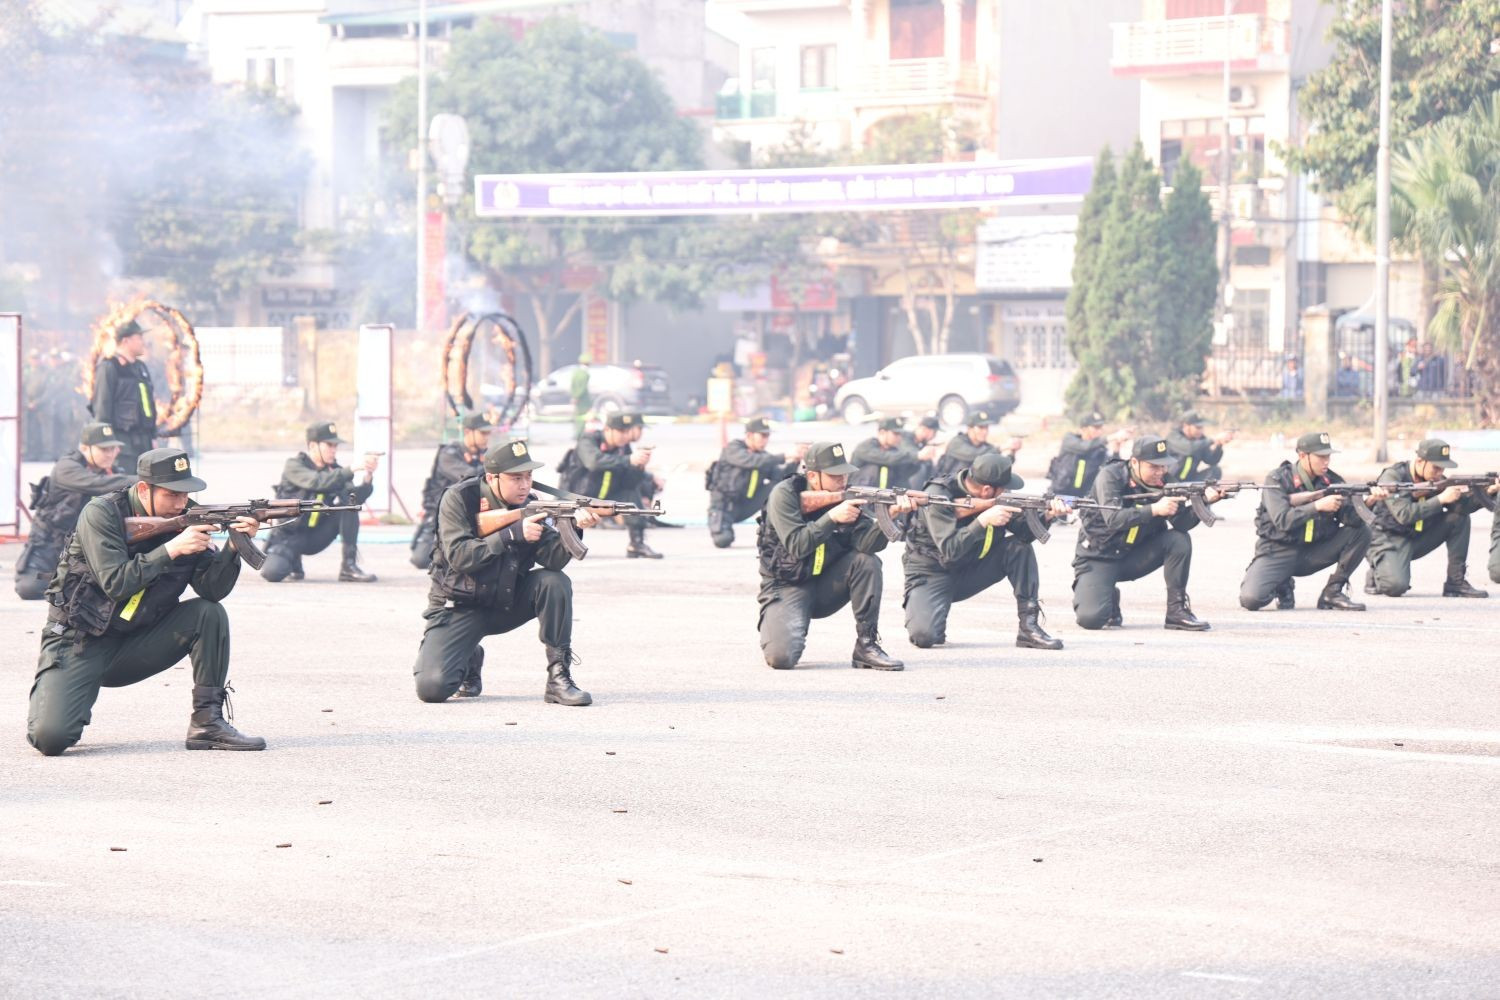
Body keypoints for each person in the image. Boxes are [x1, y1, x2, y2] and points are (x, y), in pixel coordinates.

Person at [26, 448, 266, 756]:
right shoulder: (102, 514)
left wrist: (233, 547)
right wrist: (172, 550)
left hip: (135, 642)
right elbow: (115, 583)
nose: (181, 503)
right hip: (80, 642)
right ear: (143, 489)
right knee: (50, 738)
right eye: (172, 495)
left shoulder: (186, 518)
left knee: (209, 613)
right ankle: (70, 693)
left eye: (186, 494)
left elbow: (211, 590)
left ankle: (208, 723)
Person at [412, 437, 598, 706]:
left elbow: (553, 560)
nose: (524, 485)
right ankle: (469, 655)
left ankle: (558, 678)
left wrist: (576, 526)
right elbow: (460, 557)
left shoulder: (531, 504)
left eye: (529, 476)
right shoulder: (460, 499)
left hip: (505, 602)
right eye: (516, 478)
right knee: (432, 688)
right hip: (459, 607)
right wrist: (512, 534)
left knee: (554, 582)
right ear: (492, 477)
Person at [756, 442, 906, 671]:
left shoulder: (845, 497)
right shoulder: (785, 494)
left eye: (845, 474)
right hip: (786, 585)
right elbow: (797, 545)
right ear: (814, 477)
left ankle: (867, 645)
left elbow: (867, 545)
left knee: (867, 561)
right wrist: (832, 518)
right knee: (781, 658)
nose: (842, 480)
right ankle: (788, 623)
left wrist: (890, 515)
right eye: (835, 475)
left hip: (826, 584)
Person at [903, 452, 1066, 651]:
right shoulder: (939, 496)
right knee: (925, 636)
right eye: (1003, 488)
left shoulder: (997, 497)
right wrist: (982, 520)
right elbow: (950, 549)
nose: (1007, 491)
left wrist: (1048, 515)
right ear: (988, 489)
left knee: (1019, 548)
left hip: (971, 569)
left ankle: (1028, 628)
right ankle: (932, 612)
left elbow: (1024, 534)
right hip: (931, 574)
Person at [1071, 436, 1223, 631]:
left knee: (1178, 540)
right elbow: (1114, 519)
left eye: (1164, 466)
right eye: (1154, 467)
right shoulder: (1110, 476)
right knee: (1091, 620)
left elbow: (1181, 524)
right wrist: (1153, 509)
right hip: (1099, 557)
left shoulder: (1165, 481)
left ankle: (1177, 611)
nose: (1161, 472)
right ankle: (1106, 594)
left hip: (1133, 556)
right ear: (1134, 462)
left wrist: (1203, 503)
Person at [1238, 432, 1378, 612]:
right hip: (1279, 551)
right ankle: (1282, 584)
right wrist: (1317, 506)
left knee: (1362, 532)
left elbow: (1351, 520)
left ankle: (1332, 592)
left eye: (1328, 456)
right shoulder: (1277, 479)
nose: (1326, 461)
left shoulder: (1333, 482)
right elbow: (1282, 520)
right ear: (1303, 456)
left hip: (1314, 551)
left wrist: (1370, 501)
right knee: (1251, 600)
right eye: (1321, 457)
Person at [15, 422, 137, 600]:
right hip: (50, 543)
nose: (110, 454)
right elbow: (97, 484)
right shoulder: (67, 468)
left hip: (85, 544)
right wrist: (143, 479)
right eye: (104, 449)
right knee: (30, 587)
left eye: (113, 449)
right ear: (85, 448)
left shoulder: (115, 473)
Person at [1364, 438, 1490, 598]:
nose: (1439, 474)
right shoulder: (1393, 476)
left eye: (1442, 469)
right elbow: (1404, 514)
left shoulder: (1437, 480)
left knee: (1459, 518)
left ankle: (1455, 582)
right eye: (1435, 468)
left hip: (1415, 536)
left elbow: (1462, 508)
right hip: (1388, 539)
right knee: (1395, 587)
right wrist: (1441, 499)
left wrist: (1487, 492)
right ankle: (1378, 571)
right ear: (1419, 461)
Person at [260, 421, 377, 583]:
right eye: (329, 445)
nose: (334, 450)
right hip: (289, 535)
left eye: (335, 446)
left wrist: (368, 477)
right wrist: (352, 469)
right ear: (313, 446)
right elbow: (317, 481)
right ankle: (293, 560)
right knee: (272, 573)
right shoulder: (294, 466)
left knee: (349, 508)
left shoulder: (335, 471)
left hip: (315, 536)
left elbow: (354, 498)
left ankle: (348, 567)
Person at [567, 412, 661, 559]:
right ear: (607, 430)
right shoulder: (589, 440)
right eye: (620, 431)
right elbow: (594, 462)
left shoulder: (624, 448)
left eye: (627, 431)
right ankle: (564, 547)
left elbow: (629, 481)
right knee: (567, 535)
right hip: (577, 495)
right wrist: (629, 460)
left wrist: (639, 466)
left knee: (630, 492)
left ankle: (637, 544)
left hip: (607, 495)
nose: (624, 436)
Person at [706, 417, 803, 549]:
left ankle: (776, 530)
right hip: (724, 507)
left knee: (778, 487)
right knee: (723, 540)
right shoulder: (733, 448)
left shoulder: (764, 457)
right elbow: (751, 461)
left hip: (746, 505)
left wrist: (795, 460)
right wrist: (785, 456)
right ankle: (723, 527)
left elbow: (781, 476)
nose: (765, 439)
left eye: (767, 435)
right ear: (749, 435)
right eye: (762, 435)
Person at [411, 413, 492, 569]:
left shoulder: (484, 454)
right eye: (483, 433)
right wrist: (487, 466)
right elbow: (469, 476)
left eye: (488, 433)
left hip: (472, 511)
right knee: (421, 559)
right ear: (468, 432)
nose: (486, 437)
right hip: (440, 512)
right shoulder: (449, 454)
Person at [88, 318, 157, 475]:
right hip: (122, 442)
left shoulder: (140, 367)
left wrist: (152, 436)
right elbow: (101, 409)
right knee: (125, 489)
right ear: (126, 340)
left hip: (144, 441)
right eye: (139, 338)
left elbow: (148, 406)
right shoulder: (109, 367)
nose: (143, 342)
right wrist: (107, 444)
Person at [1047, 411, 1130, 498]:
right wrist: (1113, 436)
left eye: (1101, 428)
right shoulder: (1070, 440)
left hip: (1083, 499)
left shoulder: (1100, 450)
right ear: (1084, 428)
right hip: (1060, 494)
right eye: (1096, 428)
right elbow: (1084, 447)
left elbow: (1112, 468)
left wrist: (1116, 451)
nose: (1099, 431)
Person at [851, 417, 923, 490]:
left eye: (900, 434)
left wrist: (918, 461)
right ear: (882, 432)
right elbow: (886, 458)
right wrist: (917, 455)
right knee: (874, 467)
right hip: (859, 493)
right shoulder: (865, 446)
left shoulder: (894, 450)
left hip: (883, 495)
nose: (899, 437)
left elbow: (903, 475)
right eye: (896, 434)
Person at [934, 410, 1009, 478]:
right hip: (947, 486)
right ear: (970, 428)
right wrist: (1001, 448)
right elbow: (974, 456)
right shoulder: (957, 442)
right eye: (981, 427)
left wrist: (1012, 452)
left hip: (972, 488)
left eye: (986, 428)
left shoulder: (987, 447)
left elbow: (1000, 466)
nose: (985, 431)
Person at [1165, 410, 1233, 483]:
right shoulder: (1173, 437)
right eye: (1198, 427)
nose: (1200, 431)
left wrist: (1218, 444)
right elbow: (1189, 449)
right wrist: (1213, 439)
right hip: (1172, 480)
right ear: (1186, 426)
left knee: (1215, 471)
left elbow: (1211, 460)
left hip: (1190, 480)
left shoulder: (1201, 440)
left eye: (1202, 428)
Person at [901, 415, 943, 489]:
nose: (934, 435)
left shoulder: (920, 442)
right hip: (900, 479)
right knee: (921, 467)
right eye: (934, 432)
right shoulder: (905, 438)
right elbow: (910, 454)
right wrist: (922, 455)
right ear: (925, 430)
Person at [569, 354, 592, 436]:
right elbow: (582, 388)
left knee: (578, 417)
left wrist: (574, 396)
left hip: (577, 398)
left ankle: (577, 434)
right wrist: (577, 396)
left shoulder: (576, 372)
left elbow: (572, 386)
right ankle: (579, 434)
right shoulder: (585, 374)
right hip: (583, 400)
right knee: (582, 418)